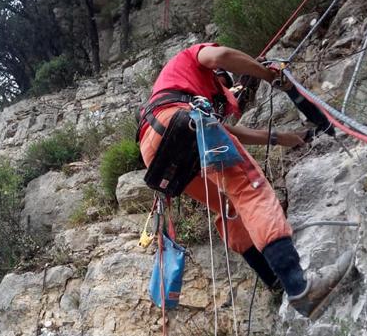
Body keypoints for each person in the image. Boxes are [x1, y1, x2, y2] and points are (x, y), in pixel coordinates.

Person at [137, 43, 354, 319]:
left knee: (229, 207)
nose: (221, 88)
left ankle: (272, 279)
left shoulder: (184, 90)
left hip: (155, 147)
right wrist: (268, 75)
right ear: (217, 74)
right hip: (178, 122)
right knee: (250, 191)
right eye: (222, 81)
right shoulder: (192, 58)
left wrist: (277, 138)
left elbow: (223, 130)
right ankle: (299, 286)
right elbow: (221, 56)